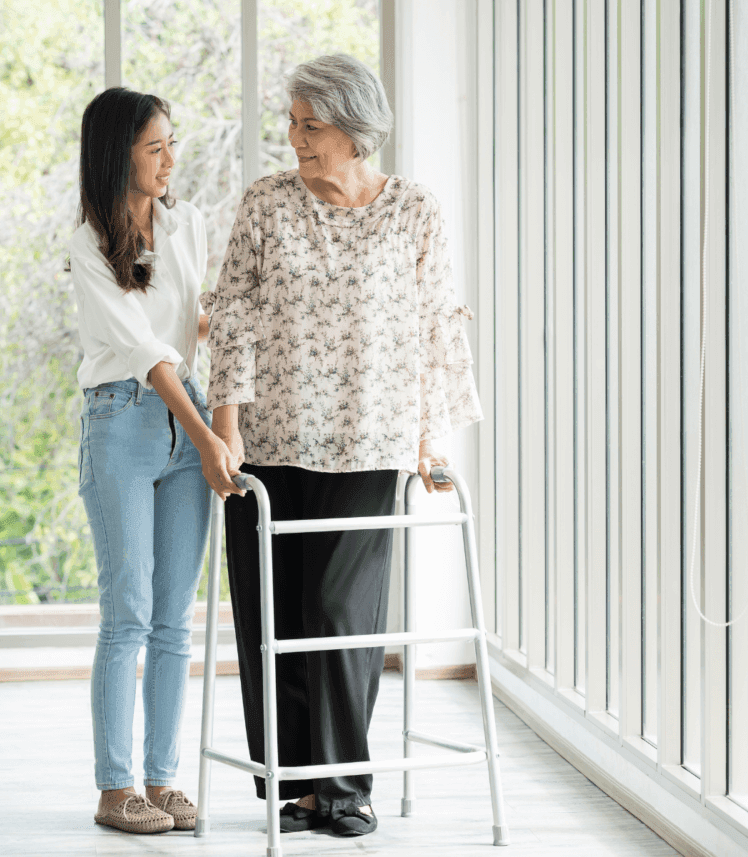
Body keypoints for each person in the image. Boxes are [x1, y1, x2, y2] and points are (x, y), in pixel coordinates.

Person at [201, 54, 483, 838]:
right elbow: (233, 318)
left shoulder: (414, 211)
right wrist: (225, 427)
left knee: (338, 609)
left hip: (371, 439)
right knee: (274, 608)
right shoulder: (266, 205)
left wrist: (432, 436)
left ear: (356, 133)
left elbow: (436, 320)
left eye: (311, 125)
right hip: (269, 441)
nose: (294, 137)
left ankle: (346, 785)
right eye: (291, 122)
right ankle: (295, 785)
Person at [68, 87, 245, 836]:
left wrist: (234, 329)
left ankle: (161, 778)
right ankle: (115, 787)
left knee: (176, 616)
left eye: (171, 142)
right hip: (124, 421)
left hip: (189, 415)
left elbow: (195, 323)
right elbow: (145, 351)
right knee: (129, 611)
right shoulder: (87, 240)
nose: (171, 158)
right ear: (120, 153)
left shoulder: (187, 225)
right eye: (155, 146)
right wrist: (206, 437)